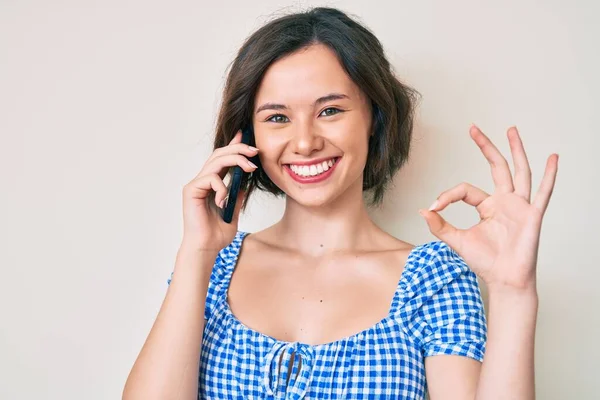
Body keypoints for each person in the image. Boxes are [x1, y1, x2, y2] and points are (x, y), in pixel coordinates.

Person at [123, 7, 558, 400]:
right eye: (277, 118)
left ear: (375, 117)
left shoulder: (434, 280)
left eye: (330, 110)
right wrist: (197, 252)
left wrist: (513, 292)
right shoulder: (212, 267)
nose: (306, 141)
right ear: (249, 137)